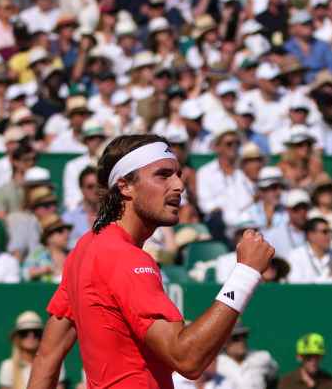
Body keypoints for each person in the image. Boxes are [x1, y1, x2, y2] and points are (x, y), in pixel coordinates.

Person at [27, 134, 274, 389]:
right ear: (125, 186)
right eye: (163, 175)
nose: (179, 185)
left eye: (177, 174)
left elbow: (47, 358)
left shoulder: (85, 247)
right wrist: (245, 272)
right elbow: (187, 358)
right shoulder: (125, 257)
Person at [0, 312, 65, 389]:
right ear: (17, 338)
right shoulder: (7, 366)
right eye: (24, 333)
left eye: (36, 332)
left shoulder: (56, 363)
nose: (31, 336)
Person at [215, 321, 279, 389]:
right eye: (235, 338)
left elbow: (273, 379)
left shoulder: (263, 357)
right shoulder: (216, 365)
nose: (241, 341)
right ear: (224, 342)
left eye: (244, 335)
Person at [23, 214, 73, 283]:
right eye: (60, 231)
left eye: (67, 230)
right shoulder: (37, 255)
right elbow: (25, 274)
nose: (66, 234)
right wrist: (45, 270)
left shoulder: (73, 254)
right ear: (48, 237)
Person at [287, 217, 332, 284]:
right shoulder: (296, 255)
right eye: (325, 232)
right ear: (310, 235)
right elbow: (295, 284)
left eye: (330, 232)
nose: (329, 235)